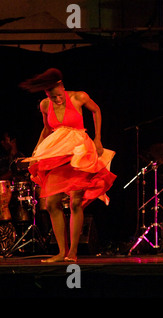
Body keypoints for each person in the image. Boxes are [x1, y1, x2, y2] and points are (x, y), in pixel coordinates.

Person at [20, 68, 116, 262]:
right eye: (51, 97)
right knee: (51, 203)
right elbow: (47, 129)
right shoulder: (45, 105)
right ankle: (61, 251)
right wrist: (37, 151)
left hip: (78, 152)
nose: (56, 100)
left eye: (57, 95)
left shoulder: (78, 97)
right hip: (58, 152)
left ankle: (72, 252)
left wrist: (98, 139)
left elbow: (96, 110)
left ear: (61, 85)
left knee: (75, 202)